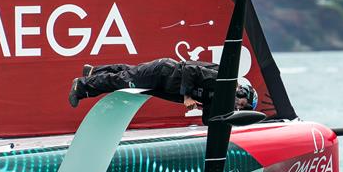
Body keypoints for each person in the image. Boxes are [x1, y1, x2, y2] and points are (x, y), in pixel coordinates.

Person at [68, 58, 257, 122]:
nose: (240, 106)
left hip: (163, 84)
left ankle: (93, 72)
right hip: (164, 73)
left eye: (243, 108)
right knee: (124, 81)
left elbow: (208, 120)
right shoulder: (224, 82)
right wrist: (187, 96)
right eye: (243, 102)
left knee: (129, 73)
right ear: (242, 92)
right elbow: (191, 70)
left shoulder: (218, 99)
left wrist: (228, 119)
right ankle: (82, 86)